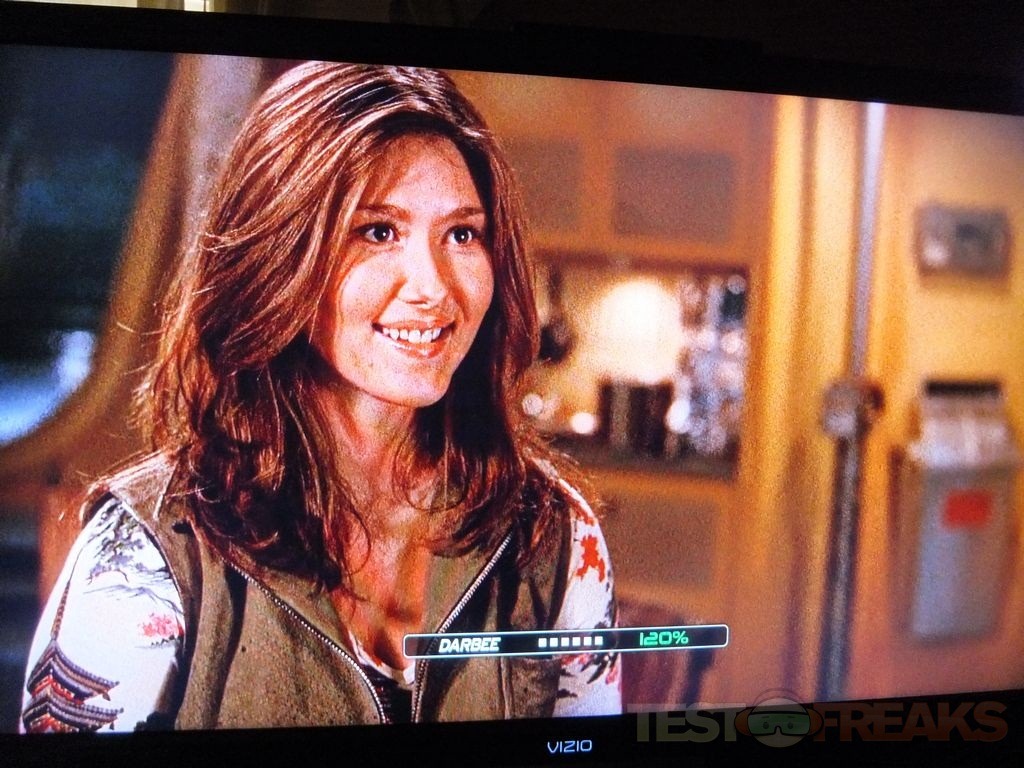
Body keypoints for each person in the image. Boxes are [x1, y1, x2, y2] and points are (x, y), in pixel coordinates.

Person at [20, 61, 619, 731]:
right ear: (282, 254)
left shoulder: (551, 533)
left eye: (462, 234)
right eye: (378, 231)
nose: (432, 286)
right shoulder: (149, 553)